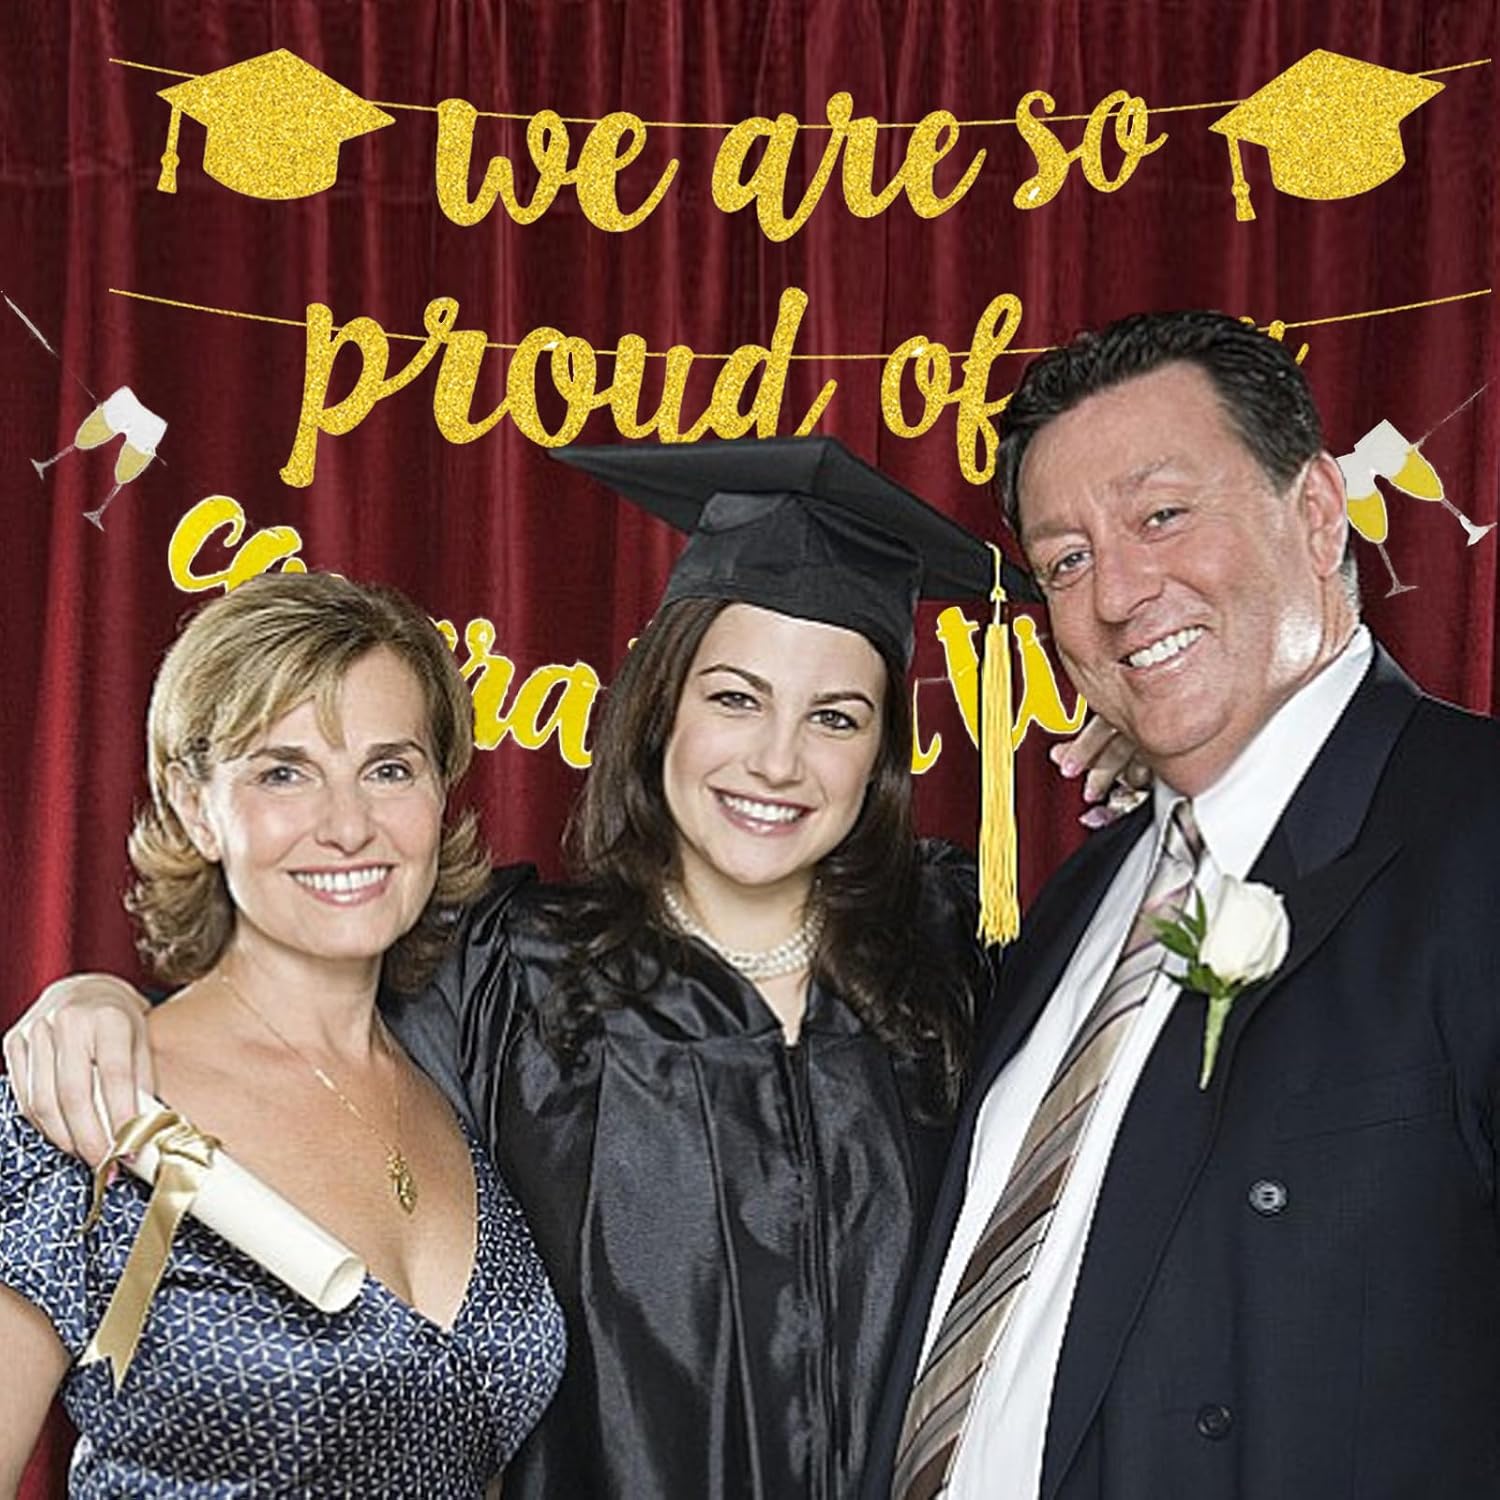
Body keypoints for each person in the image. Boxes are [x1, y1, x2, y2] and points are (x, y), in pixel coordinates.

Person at [6, 438, 1132, 1498]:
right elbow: (280, 987)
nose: (777, 761)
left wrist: (1169, 766)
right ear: (661, 706)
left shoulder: (955, 970)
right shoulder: (508, 977)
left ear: (886, 749)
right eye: (734, 697)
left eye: (836, 718)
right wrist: (91, 1001)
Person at [862, 309, 1500, 1500]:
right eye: (1065, 561)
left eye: (1162, 516)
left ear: (1318, 512)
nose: (1117, 594)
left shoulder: (1476, 834)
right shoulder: (1075, 905)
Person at [0, 573, 565, 1498]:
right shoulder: (86, 1103)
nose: (348, 826)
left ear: (439, 792)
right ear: (195, 806)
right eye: (283, 772)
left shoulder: (466, 1079)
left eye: (389, 769)